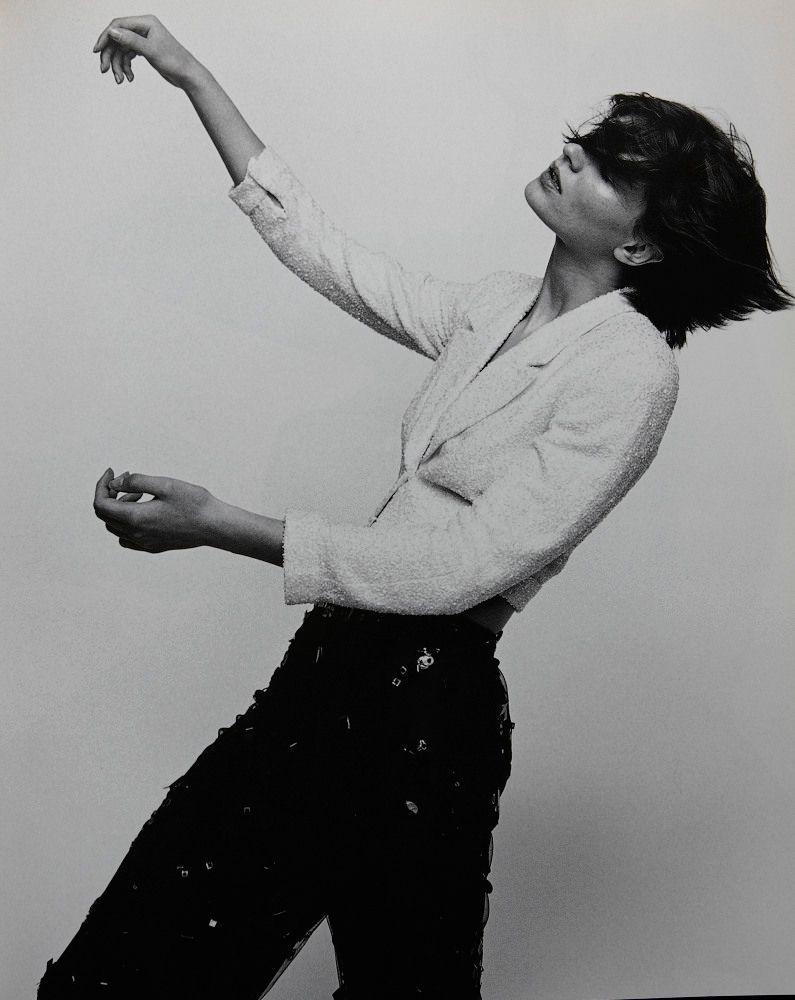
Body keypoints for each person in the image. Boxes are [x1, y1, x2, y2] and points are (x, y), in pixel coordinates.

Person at [39, 14, 792, 1000]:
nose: (570, 153)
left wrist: (220, 525)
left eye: (607, 163)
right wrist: (193, 76)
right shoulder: (491, 306)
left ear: (646, 243)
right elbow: (325, 252)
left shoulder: (631, 374)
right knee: (132, 961)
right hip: (321, 678)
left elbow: (464, 566)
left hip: (425, 720)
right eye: (587, 136)